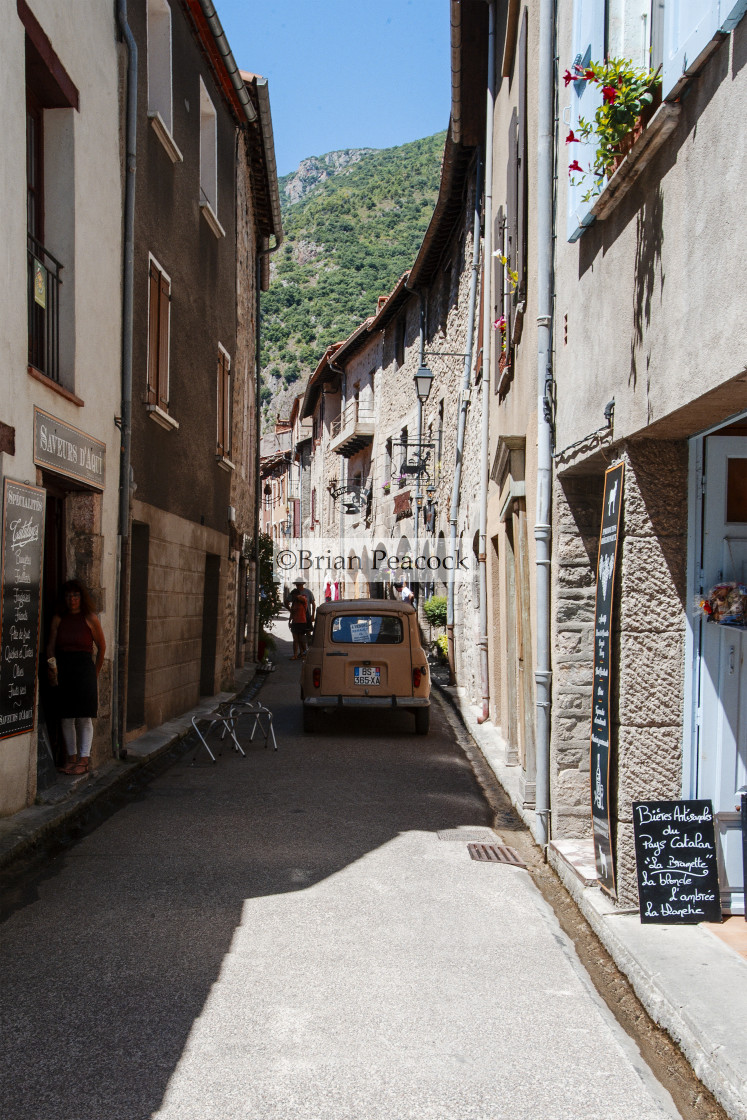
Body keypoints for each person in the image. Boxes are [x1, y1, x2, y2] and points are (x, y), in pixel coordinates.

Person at [46, 579, 105, 775]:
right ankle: (71, 758)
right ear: (65, 598)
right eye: (69, 595)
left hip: (84, 669)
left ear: (82, 598)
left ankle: (84, 759)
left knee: (84, 716)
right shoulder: (58, 619)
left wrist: (95, 671)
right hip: (64, 668)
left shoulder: (90, 618)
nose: (73, 599)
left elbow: (102, 647)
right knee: (66, 716)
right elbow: (51, 646)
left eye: (76, 595)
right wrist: (52, 667)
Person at [288, 581, 310, 660]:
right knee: (295, 640)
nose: (292, 597)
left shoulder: (303, 600)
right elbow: (292, 612)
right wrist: (290, 621)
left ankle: (304, 653)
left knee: (301, 640)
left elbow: (302, 598)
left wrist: (297, 596)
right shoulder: (294, 603)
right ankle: (295, 655)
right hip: (295, 622)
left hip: (302, 622)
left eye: (293, 596)